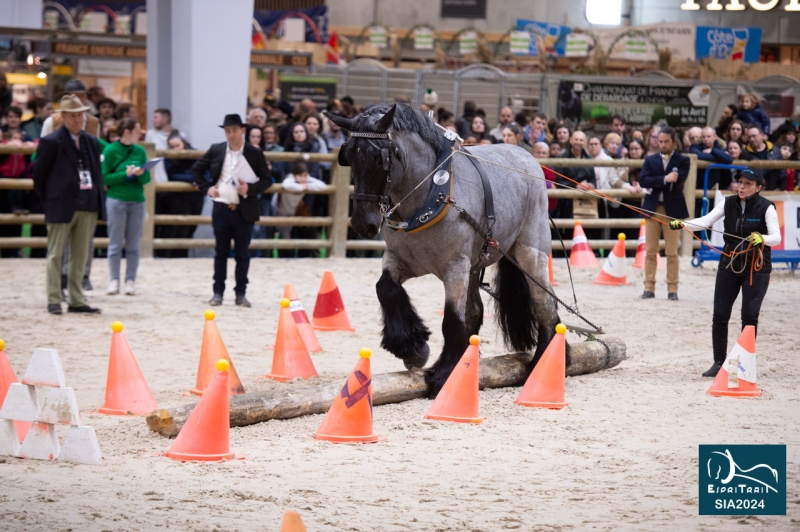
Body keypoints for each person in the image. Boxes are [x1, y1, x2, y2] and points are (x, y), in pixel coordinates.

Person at [671, 168, 781, 377]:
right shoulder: (727, 203)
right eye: (740, 182)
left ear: (758, 187)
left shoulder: (767, 207)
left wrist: (762, 238)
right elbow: (704, 221)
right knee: (720, 314)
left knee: (749, 314)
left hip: (756, 268)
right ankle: (718, 362)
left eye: (748, 183)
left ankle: (745, 363)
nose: (741, 186)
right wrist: (682, 224)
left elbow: (776, 237)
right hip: (730, 264)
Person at [32, 94, 105, 315]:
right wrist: (50, 198)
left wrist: (96, 198)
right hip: (60, 204)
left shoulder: (91, 141)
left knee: (80, 254)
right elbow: (39, 175)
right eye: (73, 116)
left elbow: (96, 172)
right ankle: (54, 298)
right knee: (56, 253)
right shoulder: (51, 141)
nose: (77, 119)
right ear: (63, 116)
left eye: (80, 115)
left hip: (87, 204)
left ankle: (76, 298)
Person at [190, 114, 271, 307]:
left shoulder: (254, 153)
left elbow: (267, 180)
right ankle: (217, 292)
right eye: (228, 131)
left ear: (243, 130)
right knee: (220, 253)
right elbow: (196, 170)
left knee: (243, 254)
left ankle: (240, 293)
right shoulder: (216, 150)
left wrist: (249, 189)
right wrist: (206, 188)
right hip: (221, 208)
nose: (231, 134)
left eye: (234, 130)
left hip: (244, 210)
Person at [638, 126, 689, 301]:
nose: (663, 144)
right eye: (660, 141)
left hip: (672, 211)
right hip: (653, 208)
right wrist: (664, 179)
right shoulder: (650, 159)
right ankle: (648, 287)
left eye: (666, 141)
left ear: (673, 142)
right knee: (650, 251)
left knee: (672, 252)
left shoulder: (683, 160)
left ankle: (672, 289)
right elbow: (643, 180)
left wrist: (658, 180)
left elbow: (680, 178)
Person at [101, 118, 148, 296]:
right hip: (116, 199)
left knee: (134, 244)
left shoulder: (140, 151)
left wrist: (142, 173)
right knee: (115, 242)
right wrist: (124, 174)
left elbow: (147, 180)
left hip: (137, 199)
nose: (140, 133)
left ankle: (131, 280)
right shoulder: (111, 150)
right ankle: (114, 279)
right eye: (137, 130)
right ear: (127, 132)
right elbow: (104, 178)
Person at [554, 130, 594, 219]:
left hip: (587, 199)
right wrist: (576, 186)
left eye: (581, 140)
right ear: (571, 140)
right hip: (567, 201)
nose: (578, 142)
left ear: (585, 142)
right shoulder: (561, 158)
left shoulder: (588, 158)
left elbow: (592, 178)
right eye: (576, 139)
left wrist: (590, 184)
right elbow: (559, 181)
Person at [689, 126, 733, 191]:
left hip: (718, 186)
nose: (706, 139)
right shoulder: (695, 146)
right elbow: (699, 155)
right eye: (703, 137)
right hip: (701, 186)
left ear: (714, 137)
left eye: (708, 136)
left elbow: (729, 159)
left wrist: (712, 150)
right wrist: (719, 156)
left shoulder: (721, 146)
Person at [742, 125, 783, 191]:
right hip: (754, 191)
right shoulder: (745, 153)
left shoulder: (775, 150)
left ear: (762, 136)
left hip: (775, 190)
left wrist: (781, 187)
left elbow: (782, 170)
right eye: (749, 137)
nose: (752, 139)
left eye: (754, 136)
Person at [532, 142, 557, 215]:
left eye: (544, 153)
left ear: (548, 154)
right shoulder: (529, 166)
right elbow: (532, 180)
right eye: (538, 152)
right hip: (535, 205)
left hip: (551, 204)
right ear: (533, 153)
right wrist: (548, 184)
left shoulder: (551, 167)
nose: (541, 155)